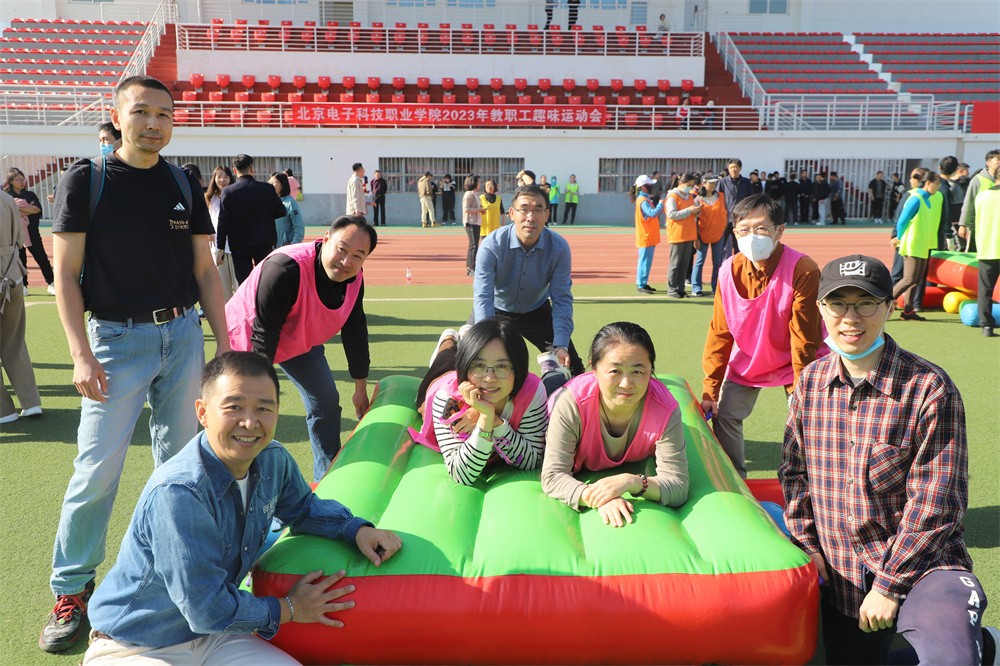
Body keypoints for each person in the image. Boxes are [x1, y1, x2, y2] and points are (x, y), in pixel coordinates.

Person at [43, 75, 230, 654]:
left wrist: (225, 346)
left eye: (164, 115)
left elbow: (205, 270)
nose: (154, 123)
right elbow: (64, 276)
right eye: (142, 112)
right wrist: (80, 353)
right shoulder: (87, 179)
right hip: (115, 342)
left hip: (183, 334)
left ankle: (169, 577)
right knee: (96, 470)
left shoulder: (182, 181)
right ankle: (72, 589)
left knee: (181, 467)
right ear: (118, 116)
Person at [82, 351, 402, 665]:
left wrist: (355, 529)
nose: (250, 422)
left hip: (215, 637)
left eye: (264, 408)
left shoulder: (272, 459)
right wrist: (290, 608)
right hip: (135, 645)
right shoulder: (179, 493)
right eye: (234, 407)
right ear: (203, 412)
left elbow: (304, 508)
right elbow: (206, 610)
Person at [780, 254, 998, 666]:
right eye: (837, 303)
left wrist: (889, 585)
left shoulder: (929, 387)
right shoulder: (810, 383)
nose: (851, 318)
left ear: (889, 307)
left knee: (949, 660)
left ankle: (982, 648)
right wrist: (808, 546)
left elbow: (937, 502)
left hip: (924, 567)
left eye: (866, 303)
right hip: (842, 572)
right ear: (821, 309)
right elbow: (794, 474)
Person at [226, 215, 375, 482]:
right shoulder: (285, 268)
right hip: (250, 336)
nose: (346, 261)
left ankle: (327, 476)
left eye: (357, 256)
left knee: (326, 401)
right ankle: (237, 474)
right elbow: (264, 334)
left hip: (299, 338)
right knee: (247, 408)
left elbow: (355, 328)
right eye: (342, 249)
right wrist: (262, 392)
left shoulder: (354, 278)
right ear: (326, 239)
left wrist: (360, 388)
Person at [700, 193, 824, 478]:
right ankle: (734, 480)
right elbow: (720, 332)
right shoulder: (728, 271)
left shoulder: (803, 269)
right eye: (744, 230)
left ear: (779, 231)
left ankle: (806, 478)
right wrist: (711, 388)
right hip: (750, 357)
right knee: (725, 414)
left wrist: (803, 389)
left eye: (761, 229)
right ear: (734, 233)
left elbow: (803, 338)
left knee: (808, 417)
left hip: (795, 359)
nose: (752, 237)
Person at [541, 322, 689, 527]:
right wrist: (598, 497)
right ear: (594, 368)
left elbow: (678, 485)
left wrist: (634, 482)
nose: (626, 384)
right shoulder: (571, 404)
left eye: (638, 372)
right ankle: (552, 370)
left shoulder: (665, 410)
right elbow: (553, 476)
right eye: (614, 371)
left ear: (651, 370)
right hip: (555, 400)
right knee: (552, 383)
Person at [411, 319, 549, 486]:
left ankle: (468, 343)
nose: (490, 378)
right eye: (479, 365)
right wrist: (485, 423)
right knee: (444, 357)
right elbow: (462, 474)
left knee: (460, 358)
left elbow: (533, 460)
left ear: (518, 367)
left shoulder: (531, 392)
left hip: (468, 374)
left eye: (502, 366)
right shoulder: (447, 400)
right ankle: (449, 338)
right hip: (441, 380)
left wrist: (492, 420)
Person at [473, 183, 585, 376]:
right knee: (472, 357)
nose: (531, 217)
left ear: (547, 215)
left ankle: (553, 371)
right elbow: (483, 296)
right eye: (524, 209)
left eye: (538, 210)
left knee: (573, 367)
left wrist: (561, 344)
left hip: (536, 310)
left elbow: (561, 299)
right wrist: (486, 338)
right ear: (512, 213)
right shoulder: (491, 245)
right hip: (496, 309)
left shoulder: (559, 248)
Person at [1, 190, 41, 424]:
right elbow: (19, 238)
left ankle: (4, 410)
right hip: (12, 274)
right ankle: (31, 401)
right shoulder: (6, 199)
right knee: (15, 343)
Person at [215, 153, 286, 284]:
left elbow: (223, 221)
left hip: (239, 243)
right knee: (264, 280)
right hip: (263, 240)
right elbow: (281, 211)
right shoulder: (267, 188)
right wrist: (264, 216)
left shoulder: (228, 192)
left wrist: (220, 247)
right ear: (252, 168)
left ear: (234, 170)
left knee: (245, 283)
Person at [891, 170, 942, 322]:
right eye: (937, 184)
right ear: (928, 183)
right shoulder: (916, 198)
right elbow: (902, 220)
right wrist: (899, 237)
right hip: (912, 245)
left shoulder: (928, 199)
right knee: (908, 279)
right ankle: (880, 304)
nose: (938, 187)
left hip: (922, 245)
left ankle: (908, 311)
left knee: (916, 280)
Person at [961, 150, 1000, 337]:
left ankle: (986, 325)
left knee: (985, 289)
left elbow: (971, 216)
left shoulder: (982, 197)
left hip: (986, 247)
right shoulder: (978, 181)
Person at [3, 168, 54, 295]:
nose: (22, 182)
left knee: (41, 258)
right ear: (11, 181)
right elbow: (8, 212)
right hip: (15, 234)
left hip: (32, 232)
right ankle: (23, 286)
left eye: (23, 179)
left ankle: (51, 283)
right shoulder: (6, 196)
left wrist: (18, 209)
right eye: (18, 180)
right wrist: (27, 209)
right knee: (20, 260)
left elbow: (37, 209)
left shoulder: (30, 195)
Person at [665, 172, 702, 298]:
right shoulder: (672, 196)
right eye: (688, 185)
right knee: (675, 263)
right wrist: (689, 211)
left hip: (689, 233)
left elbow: (691, 212)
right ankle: (672, 289)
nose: (690, 188)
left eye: (692, 185)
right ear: (681, 183)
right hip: (677, 234)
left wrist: (696, 211)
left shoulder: (689, 196)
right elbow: (671, 214)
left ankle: (681, 289)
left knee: (684, 264)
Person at [205, 166, 239, 301]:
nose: (222, 180)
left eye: (226, 177)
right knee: (223, 289)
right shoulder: (209, 198)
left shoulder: (235, 196)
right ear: (214, 179)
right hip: (217, 248)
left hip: (235, 247)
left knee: (239, 285)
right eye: (219, 176)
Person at [692, 173, 727, 297]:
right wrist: (696, 237)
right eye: (710, 183)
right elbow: (694, 219)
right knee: (700, 261)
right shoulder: (698, 200)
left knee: (717, 262)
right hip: (703, 234)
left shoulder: (721, 196)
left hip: (718, 234)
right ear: (703, 183)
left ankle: (716, 286)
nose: (713, 185)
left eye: (714, 183)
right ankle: (696, 287)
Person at [632, 175, 662, 295]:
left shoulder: (644, 199)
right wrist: (660, 204)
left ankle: (643, 283)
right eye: (649, 185)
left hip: (648, 235)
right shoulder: (643, 200)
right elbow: (652, 213)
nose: (651, 187)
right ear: (643, 187)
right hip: (646, 235)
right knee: (644, 261)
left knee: (646, 261)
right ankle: (641, 284)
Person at [717, 158, 754, 255]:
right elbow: (717, 200)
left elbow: (750, 199)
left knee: (739, 246)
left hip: (741, 219)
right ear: (728, 169)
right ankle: (719, 265)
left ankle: (739, 264)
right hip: (725, 219)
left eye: (736, 167)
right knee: (720, 246)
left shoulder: (746, 182)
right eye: (731, 167)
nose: (734, 169)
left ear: (740, 168)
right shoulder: (722, 182)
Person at [269, 171, 304, 248]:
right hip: (271, 248)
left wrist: (293, 245)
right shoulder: (269, 202)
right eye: (270, 182)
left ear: (283, 184)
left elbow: (299, 226)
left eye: (275, 182)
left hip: (286, 248)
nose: (271, 184)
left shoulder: (290, 202)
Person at [463, 175, 486, 276]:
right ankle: (471, 268)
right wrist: (478, 210)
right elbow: (466, 209)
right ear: (473, 182)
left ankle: (471, 266)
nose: (480, 184)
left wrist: (481, 210)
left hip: (476, 222)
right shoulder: (469, 195)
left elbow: (476, 207)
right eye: (479, 182)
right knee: (473, 245)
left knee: (474, 245)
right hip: (470, 222)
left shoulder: (475, 194)